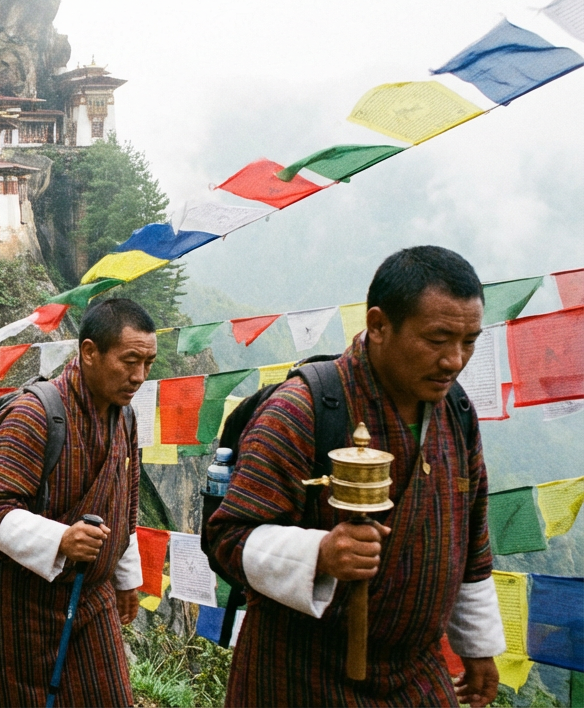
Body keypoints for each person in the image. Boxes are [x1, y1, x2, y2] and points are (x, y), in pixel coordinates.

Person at [207, 246, 504, 707]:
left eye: (469, 342)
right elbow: (227, 538)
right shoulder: (300, 409)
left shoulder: (456, 411)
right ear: (379, 325)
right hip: (299, 673)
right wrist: (320, 553)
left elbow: (471, 538)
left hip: (416, 673)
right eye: (438, 339)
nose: (454, 360)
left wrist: (478, 645)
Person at [0, 298, 150, 707]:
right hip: (18, 605)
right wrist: (61, 540)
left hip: (90, 598)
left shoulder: (124, 417)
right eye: (129, 361)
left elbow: (124, 504)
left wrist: (126, 578)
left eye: (148, 363)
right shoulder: (33, 414)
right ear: (89, 352)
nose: (139, 376)